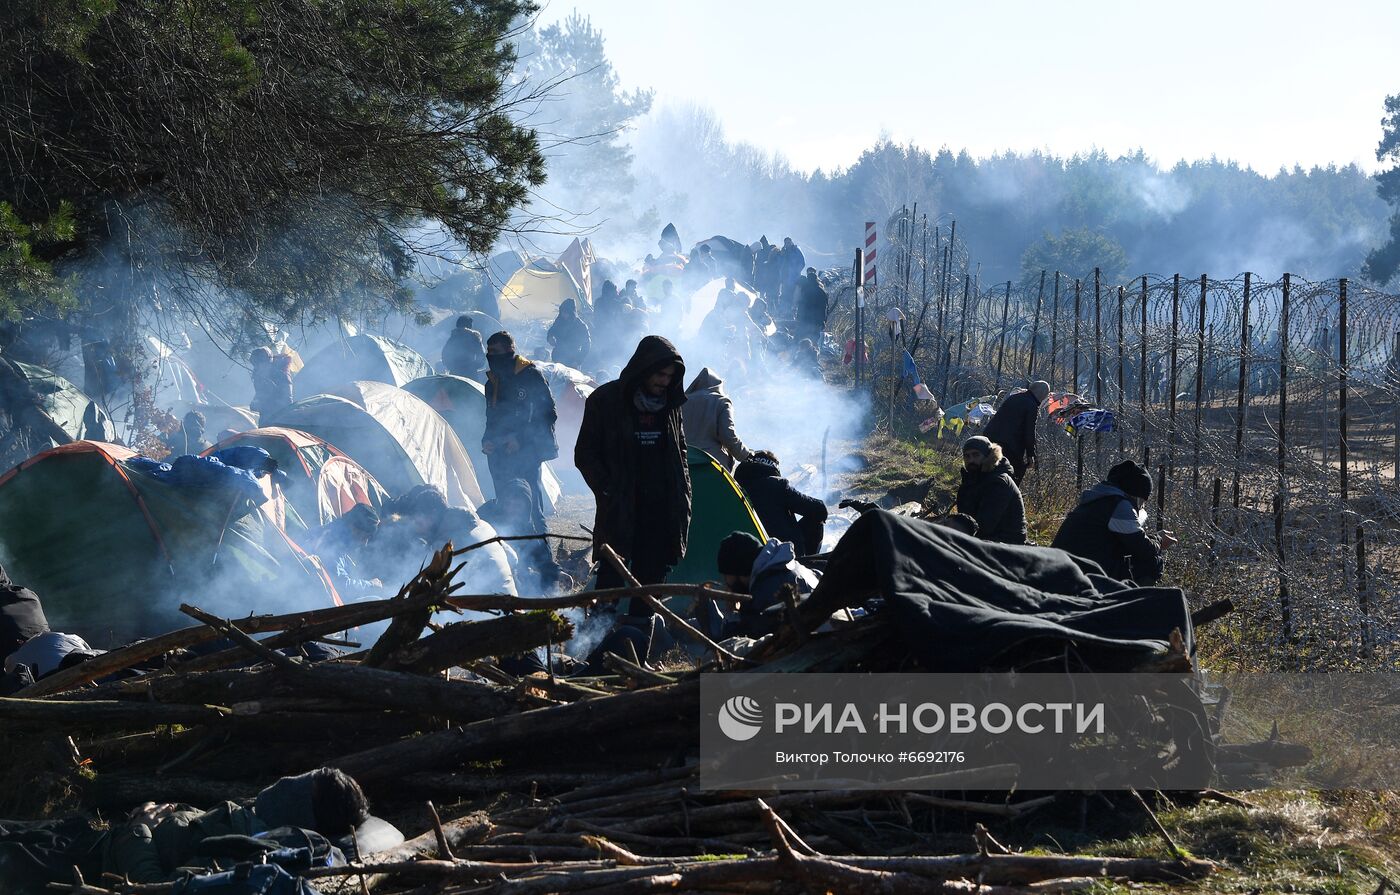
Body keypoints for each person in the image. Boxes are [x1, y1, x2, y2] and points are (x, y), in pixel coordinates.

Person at [575, 335, 691, 589]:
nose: (665, 381)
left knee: (653, 580)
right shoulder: (605, 401)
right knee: (612, 575)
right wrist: (608, 488)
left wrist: (683, 490)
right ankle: (599, 627)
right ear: (644, 369)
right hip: (621, 507)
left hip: (660, 509)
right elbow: (585, 453)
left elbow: (680, 451)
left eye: (670, 376)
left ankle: (641, 625)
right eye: (660, 374)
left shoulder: (670, 405)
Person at [1051, 459, 1177, 585]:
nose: (1142, 507)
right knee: (1152, 563)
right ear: (1136, 494)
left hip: (1064, 567)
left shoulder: (1101, 499)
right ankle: (1132, 602)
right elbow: (1144, 549)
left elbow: (1129, 542)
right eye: (1143, 501)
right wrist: (1159, 540)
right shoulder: (1120, 506)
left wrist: (1154, 538)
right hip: (1078, 574)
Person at [483, 331, 558, 534]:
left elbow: (548, 414)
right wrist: (487, 440)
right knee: (506, 508)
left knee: (532, 509)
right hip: (499, 455)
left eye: (495, 351)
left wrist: (520, 439)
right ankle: (516, 560)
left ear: (510, 350)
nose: (490, 355)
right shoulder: (492, 382)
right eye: (488, 351)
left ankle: (544, 563)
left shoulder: (530, 375)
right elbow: (491, 418)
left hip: (527, 452)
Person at [695, 531, 811, 640]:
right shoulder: (789, 566)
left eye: (726, 576)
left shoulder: (764, 593)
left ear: (741, 571)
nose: (726, 583)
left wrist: (733, 614)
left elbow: (738, 638)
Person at [479, 478, 566, 593]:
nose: (511, 509)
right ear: (502, 501)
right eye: (508, 503)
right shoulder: (486, 514)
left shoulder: (526, 526)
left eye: (518, 505)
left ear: (526, 507)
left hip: (513, 574)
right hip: (483, 570)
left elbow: (540, 559)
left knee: (545, 581)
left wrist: (558, 572)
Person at [734, 451, 827, 556]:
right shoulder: (777, 485)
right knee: (816, 517)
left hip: (745, 552)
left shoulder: (733, 487)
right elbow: (819, 509)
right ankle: (807, 563)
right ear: (773, 467)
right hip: (781, 553)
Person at [954, 436, 1027, 545]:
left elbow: (984, 525)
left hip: (1007, 543)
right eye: (967, 456)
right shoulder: (972, 479)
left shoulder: (998, 481)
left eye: (976, 455)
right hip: (985, 537)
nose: (971, 460)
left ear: (987, 455)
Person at [306, 504, 383, 598]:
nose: (365, 543)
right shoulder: (332, 542)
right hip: (319, 600)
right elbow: (343, 587)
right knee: (375, 599)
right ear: (353, 527)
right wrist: (371, 585)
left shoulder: (332, 531)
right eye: (363, 536)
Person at [681, 367, 751, 471]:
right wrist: (747, 456)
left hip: (682, 462)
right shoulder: (722, 402)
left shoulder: (681, 403)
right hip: (711, 465)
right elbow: (728, 435)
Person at [982, 381, 1049, 484]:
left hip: (989, 437)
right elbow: (1029, 432)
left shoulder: (1014, 397)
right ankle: (1007, 496)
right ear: (1042, 395)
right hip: (1009, 445)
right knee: (1014, 473)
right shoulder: (1032, 405)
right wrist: (1030, 455)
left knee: (986, 469)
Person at [249, 347, 293, 419]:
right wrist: (255, 403)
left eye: (261, 362)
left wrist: (264, 404)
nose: (258, 366)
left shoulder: (281, 375)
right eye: (256, 364)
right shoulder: (259, 378)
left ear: (269, 361)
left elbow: (287, 400)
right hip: (265, 417)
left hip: (280, 418)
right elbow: (260, 395)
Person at [546, 299, 591, 370]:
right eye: (562, 312)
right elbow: (551, 331)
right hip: (558, 357)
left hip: (573, 360)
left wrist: (578, 361)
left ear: (571, 313)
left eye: (566, 312)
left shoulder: (581, 326)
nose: (563, 314)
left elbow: (587, 345)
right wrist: (549, 337)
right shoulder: (559, 321)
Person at [442, 315, 487, 381]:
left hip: (455, 373)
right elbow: (481, 356)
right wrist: (474, 367)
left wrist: (451, 366)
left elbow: (445, 355)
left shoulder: (452, 338)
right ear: (470, 325)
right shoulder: (474, 338)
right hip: (470, 375)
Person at [794, 267, 828, 342]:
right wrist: (823, 321)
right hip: (816, 322)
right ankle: (813, 353)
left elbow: (800, 304)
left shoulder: (804, 290)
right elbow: (824, 308)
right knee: (814, 341)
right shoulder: (822, 292)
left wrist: (798, 317)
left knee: (802, 340)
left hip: (804, 320)